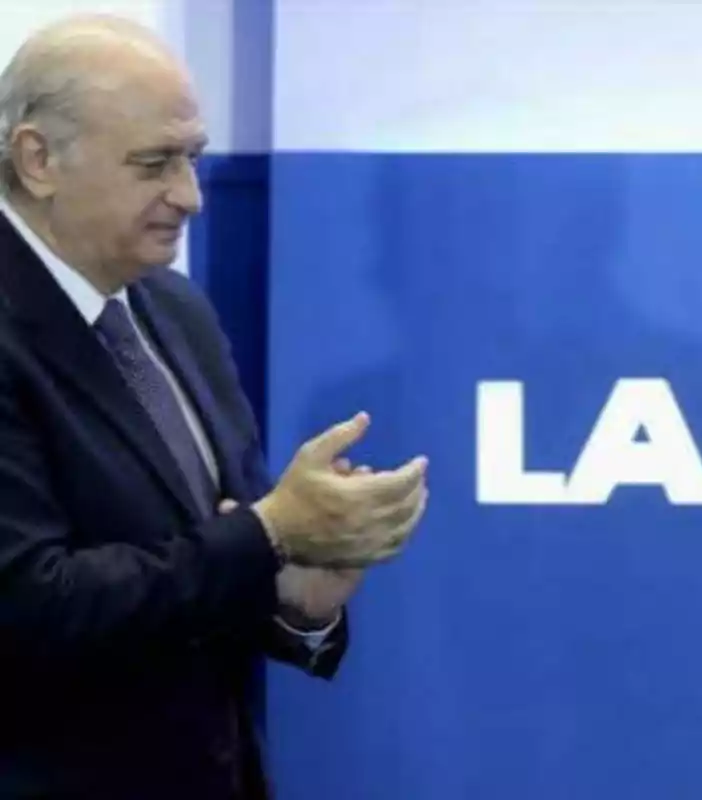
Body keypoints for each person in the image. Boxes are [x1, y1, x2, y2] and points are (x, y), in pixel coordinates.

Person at [0, 14, 428, 800]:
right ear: (38, 159)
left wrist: (296, 595)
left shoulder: (175, 312)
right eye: (154, 164)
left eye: (192, 159)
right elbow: (29, 603)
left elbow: (216, 552)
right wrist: (266, 532)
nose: (191, 196)